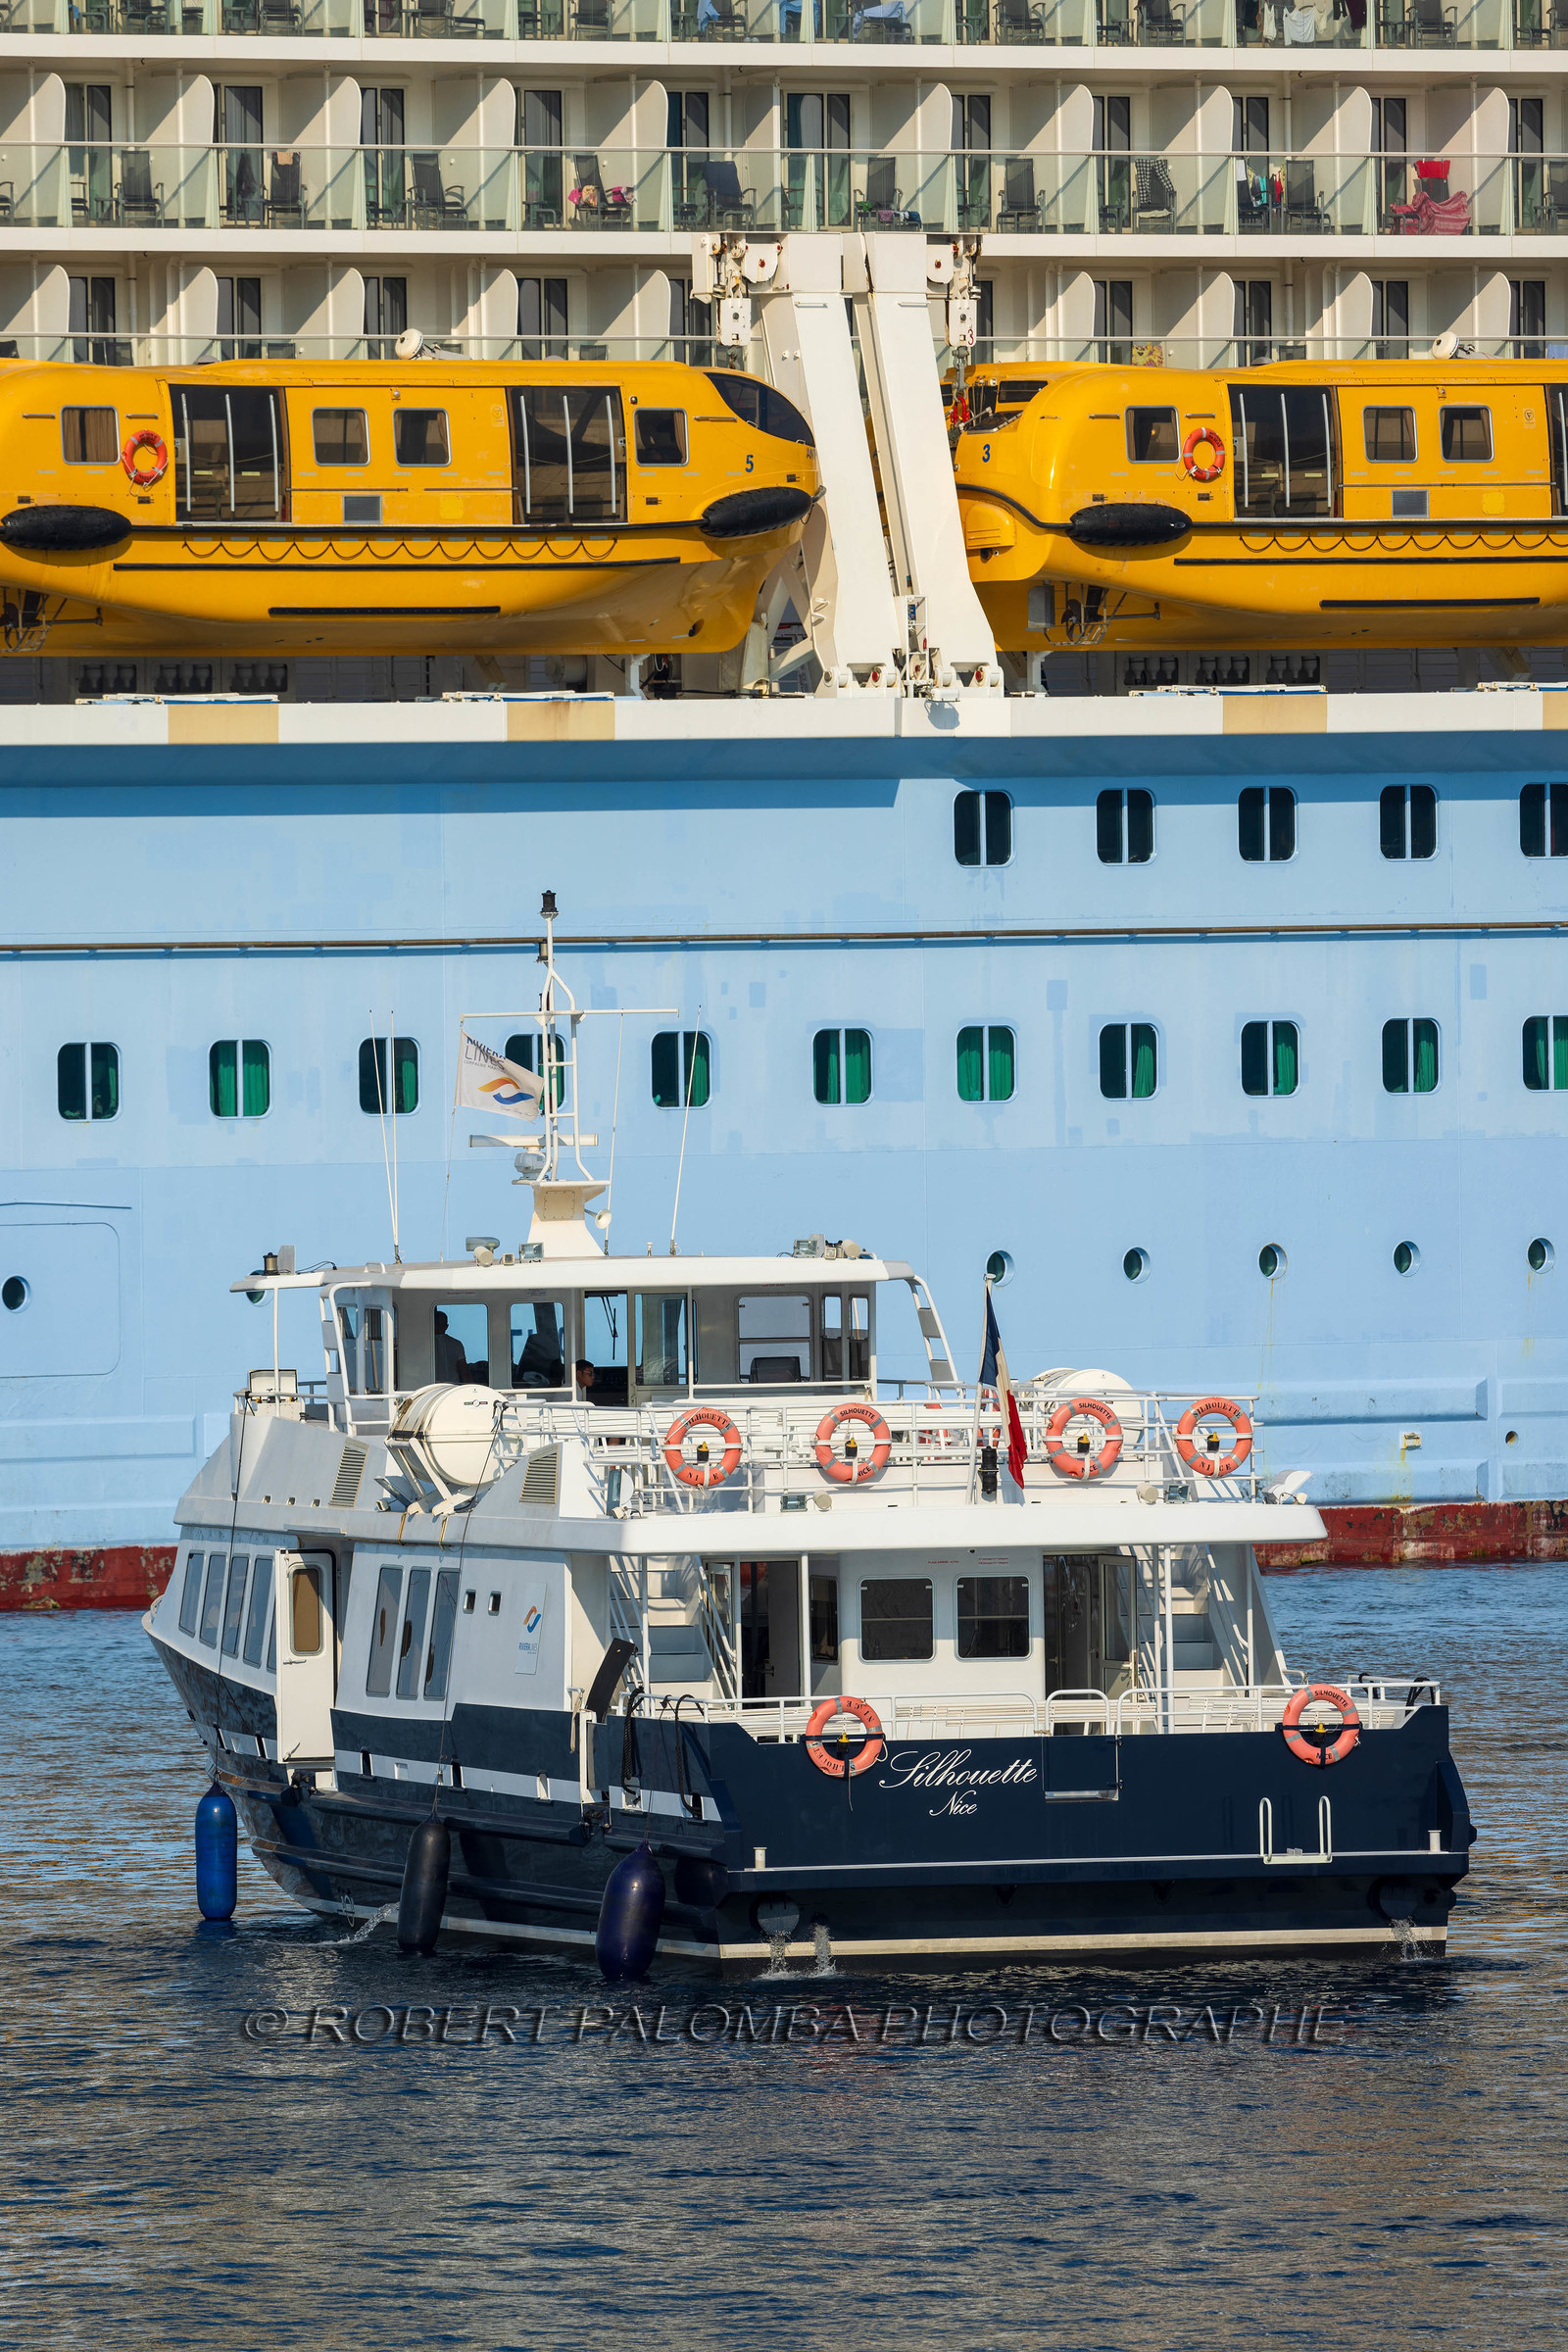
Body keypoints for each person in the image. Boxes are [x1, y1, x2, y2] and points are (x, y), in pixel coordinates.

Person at [434, 1310, 468, 1385]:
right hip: (452, 1388)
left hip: (430, 1388)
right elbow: (463, 1371)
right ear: (446, 1326)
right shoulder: (456, 1344)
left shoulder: (425, 1344)